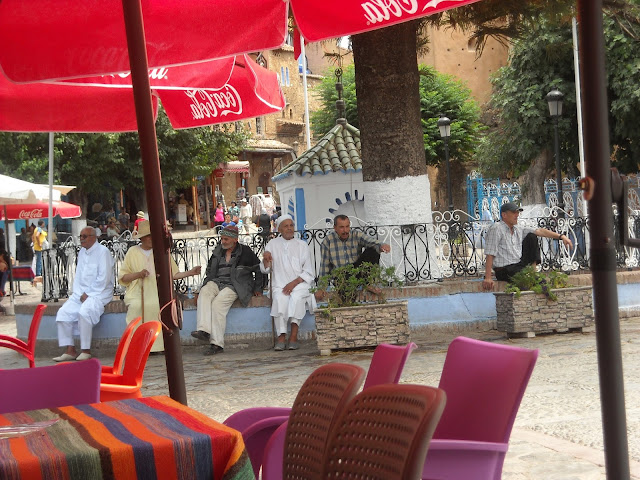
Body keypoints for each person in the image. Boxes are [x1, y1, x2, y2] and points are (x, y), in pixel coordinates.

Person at [119, 220, 201, 352]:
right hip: (137, 292)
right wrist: (138, 274)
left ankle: (157, 347)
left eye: (153, 236)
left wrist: (190, 272)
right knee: (136, 306)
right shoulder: (132, 252)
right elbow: (123, 277)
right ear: (142, 238)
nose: (151, 239)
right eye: (148, 236)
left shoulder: (161, 252)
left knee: (159, 307)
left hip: (157, 291)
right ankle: (137, 347)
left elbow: (173, 274)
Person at [191, 225, 263, 355]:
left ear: (235, 239)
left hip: (236, 285)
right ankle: (204, 330)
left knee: (217, 304)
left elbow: (259, 269)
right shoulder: (218, 251)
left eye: (226, 239)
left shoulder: (245, 252)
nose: (223, 241)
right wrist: (200, 289)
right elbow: (209, 271)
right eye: (222, 239)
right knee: (205, 292)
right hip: (217, 282)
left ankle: (217, 344)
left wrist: (258, 288)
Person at [52, 227, 115, 361]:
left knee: (84, 312)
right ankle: (70, 350)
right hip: (81, 293)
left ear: (94, 237)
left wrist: (89, 293)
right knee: (63, 313)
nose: (81, 239)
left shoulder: (103, 252)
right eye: (80, 236)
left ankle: (86, 350)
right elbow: (79, 275)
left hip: (99, 293)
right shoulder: (82, 252)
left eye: (84, 236)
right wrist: (78, 293)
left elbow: (104, 278)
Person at [482, 202, 573, 291]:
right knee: (536, 283)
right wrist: (488, 277)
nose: (517, 215)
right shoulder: (496, 228)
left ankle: (533, 271)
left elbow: (539, 231)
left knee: (532, 236)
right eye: (514, 212)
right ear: (504, 215)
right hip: (504, 269)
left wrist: (561, 237)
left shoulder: (518, 228)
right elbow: (490, 253)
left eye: (517, 212)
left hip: (517, 265)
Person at [260, 215, 316, 351]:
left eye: (291, 225)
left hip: (300, 283)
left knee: (296, 298)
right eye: (286, 226)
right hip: (279, 284)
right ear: (279, 229)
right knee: (280, 299)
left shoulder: (302, 245)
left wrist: (294, 283)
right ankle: (281, 337)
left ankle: (293, 337)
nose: (290, 228)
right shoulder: (272, 244)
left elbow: (308, 271)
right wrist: (266, 259)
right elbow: (265, 269)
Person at [315, 215, 391, 300]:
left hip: (356, 271)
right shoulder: (327, 241)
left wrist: (382, 245)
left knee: (373, 250)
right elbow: (325, 266)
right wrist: (321, 288)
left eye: (347, 226)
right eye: (341, 227)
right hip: (341, 276)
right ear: (335, 228)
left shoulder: (356, 235)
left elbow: (370, 241)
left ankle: (369, 283)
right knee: (348, 298)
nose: (345, 230)